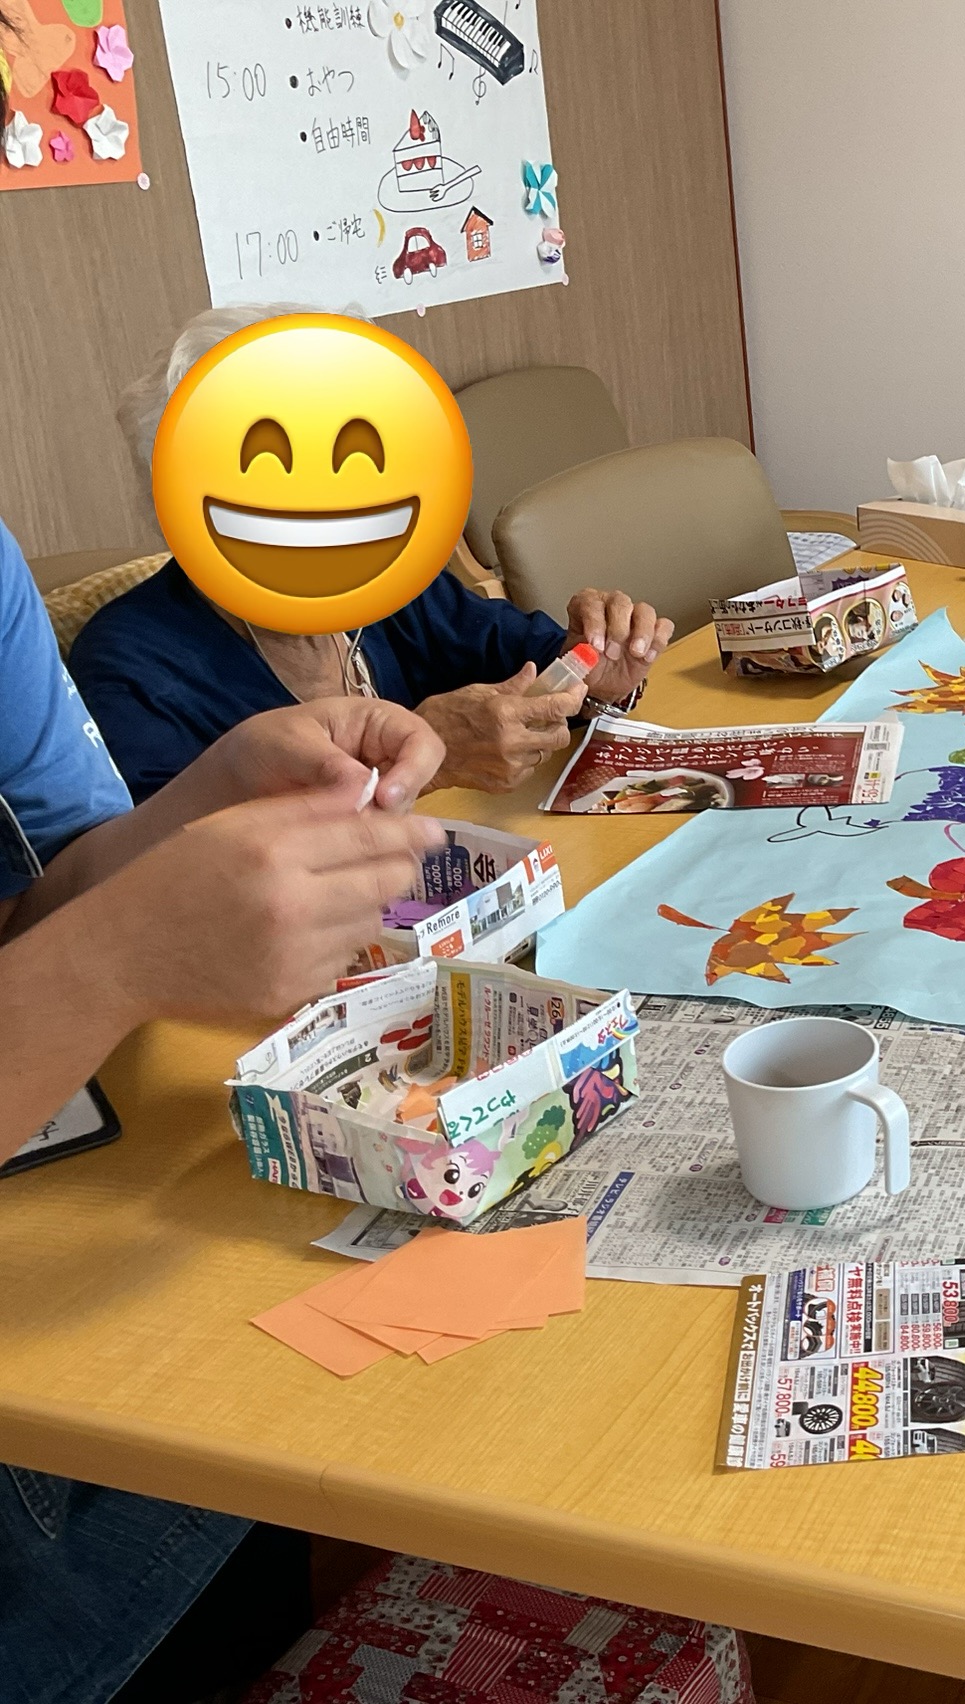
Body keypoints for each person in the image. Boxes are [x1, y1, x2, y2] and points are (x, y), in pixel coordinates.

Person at [0, 512, 447, 1699]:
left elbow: (38, 898)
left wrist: (200, 801)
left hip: (87, 1239)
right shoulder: (146, 645)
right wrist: (107, 963)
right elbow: (77, 955)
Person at [68, 306, 676, 802]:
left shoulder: (388, 581)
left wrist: (593, 670)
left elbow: (528, 659)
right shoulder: (129, 666)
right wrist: (420, 764)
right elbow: (169, 866)